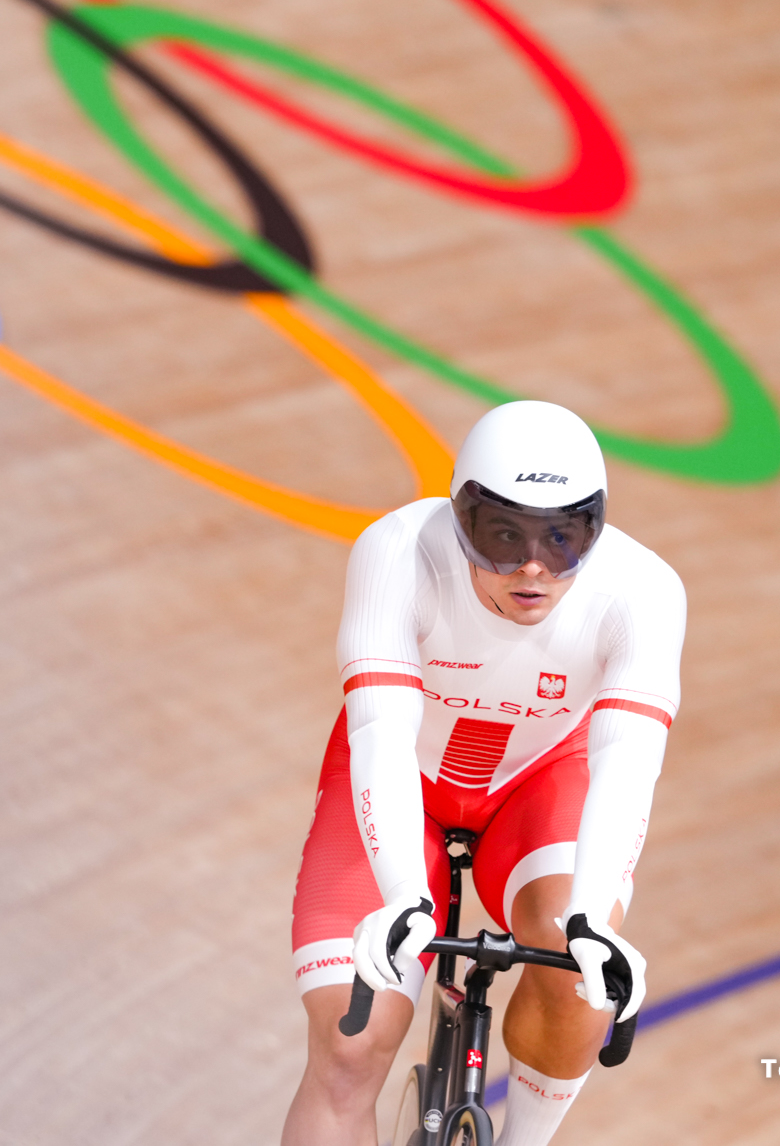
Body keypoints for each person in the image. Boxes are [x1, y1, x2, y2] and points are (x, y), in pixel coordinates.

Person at [281, 400, 685, 1146]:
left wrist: (592, 916)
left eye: (563, 539)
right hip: (406, 780)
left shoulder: (643, 591)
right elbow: (381, 732)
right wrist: (405, 889)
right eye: (504, 537)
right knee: (348, 1047)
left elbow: (627, 764)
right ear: (461, 518)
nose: (532, 568)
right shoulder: (400, 550)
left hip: (536, 787)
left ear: (597, 528)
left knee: (578, 979)